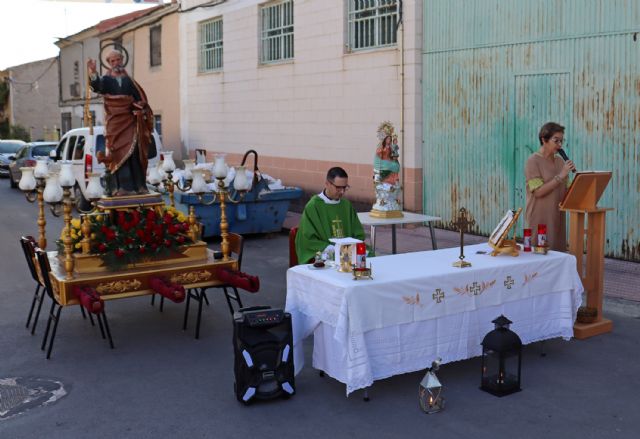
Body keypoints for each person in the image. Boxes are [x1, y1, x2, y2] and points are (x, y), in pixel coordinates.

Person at [87, 50, 154, 196]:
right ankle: (122, 187)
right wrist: (93, 72)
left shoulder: (129, 80)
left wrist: (140, 108)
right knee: (117, 151)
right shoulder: (106, 79)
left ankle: (139, 186)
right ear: (109, 63)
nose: (116, 63)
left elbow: (140, 99)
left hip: (129, 120)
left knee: (134, 151)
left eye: (118, 60)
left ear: (122, 60)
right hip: (114, 121)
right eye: (113, 61)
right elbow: (97, 86)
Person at [295, 167, 365, 264]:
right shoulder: (314, 206)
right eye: (338, 187)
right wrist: (332, 248)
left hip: (349, 250)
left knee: (370, 256)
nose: (342, 192)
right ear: (327, 184)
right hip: (326, 251)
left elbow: (358, 233)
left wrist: (351, 247)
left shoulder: (346, 205)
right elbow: (307, 239)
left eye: (345, 187)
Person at [525, 122, 575, 251]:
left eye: (561, 141)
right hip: (540, 218)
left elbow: (567, 191)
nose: (559, 145)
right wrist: (561, 176)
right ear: (544, 139)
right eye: (556, 140)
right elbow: (538, 192)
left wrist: (579, 183)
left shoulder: (560, 161)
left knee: (557, 256)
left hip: (557, 218)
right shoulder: (533, 161)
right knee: (539, 258)